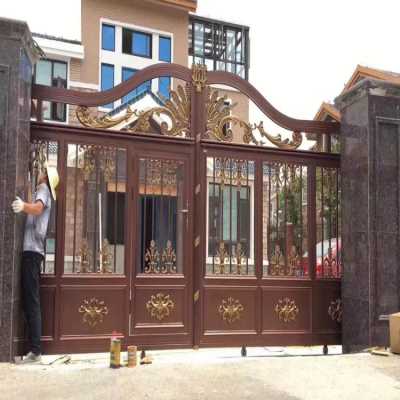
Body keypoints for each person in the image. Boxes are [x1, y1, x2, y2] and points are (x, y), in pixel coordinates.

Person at [11, 164, 59, 363]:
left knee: (32, 302)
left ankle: (36, 351)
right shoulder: (42, 189)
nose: (39, 171)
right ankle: (34, 349)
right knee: (31, 301)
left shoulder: (43, 189)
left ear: (45, 176)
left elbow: (38, 208)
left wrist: (23, 206)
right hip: (33, 253)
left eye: (42, 170)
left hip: (32, 253)